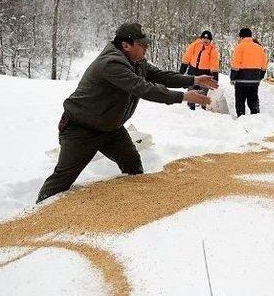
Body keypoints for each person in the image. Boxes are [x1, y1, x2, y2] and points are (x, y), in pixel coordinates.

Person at [37, 22, 218, 203]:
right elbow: (143, 88)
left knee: (132, 163)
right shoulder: (111, 64)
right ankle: (37, 212)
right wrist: (184, 97)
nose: (146, 48)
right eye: (142, 44)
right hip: (82, 128)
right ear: (125, 45)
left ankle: (134, 205)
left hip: (110, 127)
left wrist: (194, 79)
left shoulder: (136, 62)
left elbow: (161, 76)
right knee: (62, 178)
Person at [230, 27, 268, 116]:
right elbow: (264, 65)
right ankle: (255, 115)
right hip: (255, 80)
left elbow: (235, 65)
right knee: (253, 99)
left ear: (241, 37)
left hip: (241, 79)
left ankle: (241, 116)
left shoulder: (239, 47)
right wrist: (260, 77)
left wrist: (233, 78)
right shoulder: (259, 48)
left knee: (240, 100)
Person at [179, 30, 220, 110]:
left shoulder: (213, 50)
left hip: (205, 74)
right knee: (191, 92)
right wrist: (182, 70)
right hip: (192, 72)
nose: (205, 40)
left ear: (210, 40)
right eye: (204, 38)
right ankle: (190, 108)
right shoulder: (194, 45)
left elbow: (214, 64)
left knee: (203, 93)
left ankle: (202, 110)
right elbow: (187, 57)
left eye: (208, 39)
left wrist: (215, 78)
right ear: (201, 38)